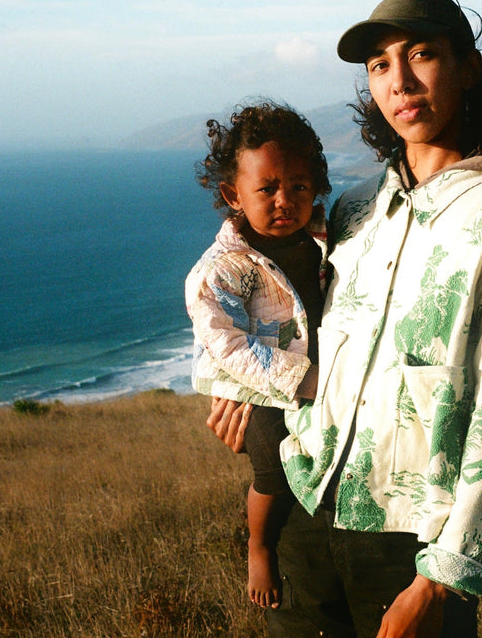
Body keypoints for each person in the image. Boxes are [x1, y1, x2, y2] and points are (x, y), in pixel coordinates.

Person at [207, 0, 482, 637]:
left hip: (408, 545)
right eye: (378, 64)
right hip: (301, 507)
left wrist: (441, 579)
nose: (398, 81)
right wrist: (241, 383)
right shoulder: (354, 208)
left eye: (421, 54)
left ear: (468, 68)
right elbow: (295, 314)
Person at [185, 101, 330, 609]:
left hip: (315, 374)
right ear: (234, 195)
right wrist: (299, 380)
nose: (284, 200)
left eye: (298, 186)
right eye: (266, 189)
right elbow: (225, 343)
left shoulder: (323, 241)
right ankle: (259, 546)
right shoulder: (224, 268)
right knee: (271, 466)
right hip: (262, 386)